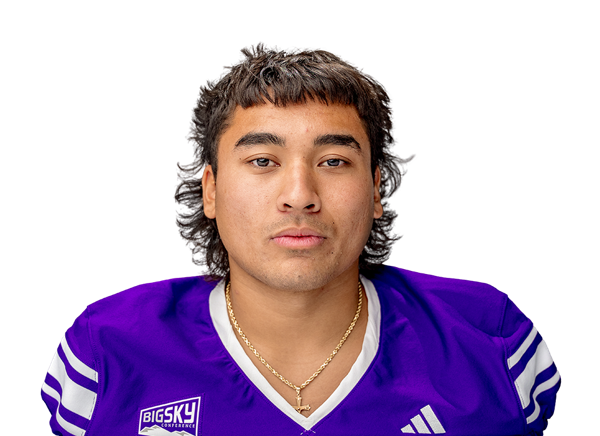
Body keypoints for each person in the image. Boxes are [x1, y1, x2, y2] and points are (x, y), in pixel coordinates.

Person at [41, 42, 560, 435]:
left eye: (333, 161)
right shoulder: (106, 350)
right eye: (262, 161)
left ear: (375, 190)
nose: (299, 196)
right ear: (211, 190)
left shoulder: (491, 341)